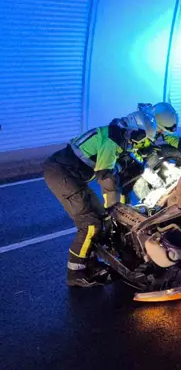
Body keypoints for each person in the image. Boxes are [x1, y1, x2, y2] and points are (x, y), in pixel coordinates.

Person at [43, 111, 157, 287]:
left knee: (102, 217)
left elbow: (120, 175)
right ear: (133, 129)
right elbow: (105, 177)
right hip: (60, 173)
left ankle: (91, 264)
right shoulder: (112, 141)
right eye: (140, 136)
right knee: (90, 224)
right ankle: (75, 274)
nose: (140, 141)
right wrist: (115, 209)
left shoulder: (117, 134)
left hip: (70, 174)